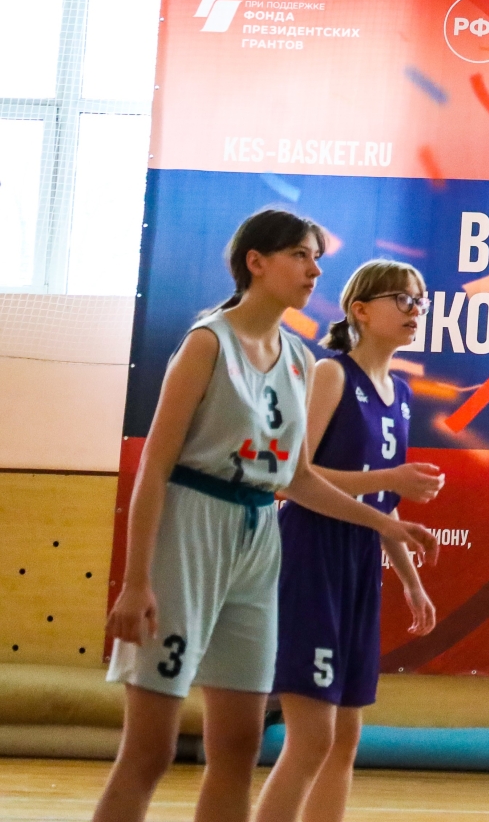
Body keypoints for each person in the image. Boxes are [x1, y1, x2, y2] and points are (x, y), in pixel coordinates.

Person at [96, 210, 439, 822]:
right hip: (193, 525)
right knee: (150, 752)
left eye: (317, 259)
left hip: (259, 543)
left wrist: (387, 524)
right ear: (256, 262)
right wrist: (136, 580)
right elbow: (153, 467)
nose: (314, 270)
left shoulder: (299, 361)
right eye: (300, 256)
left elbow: (297, 479)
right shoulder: (208, 343)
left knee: (238, 748)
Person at [255, 260, 446, 822]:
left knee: (343, 742)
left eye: (420, 301)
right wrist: (390, 479)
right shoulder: (331, 374)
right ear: (360, 310)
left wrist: (411, 582)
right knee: (312, 738)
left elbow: (383, 506)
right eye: (403, 299)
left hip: (361, 561)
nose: (415, 311)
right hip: (312, 552)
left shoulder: (402, 393)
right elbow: (292, 476)